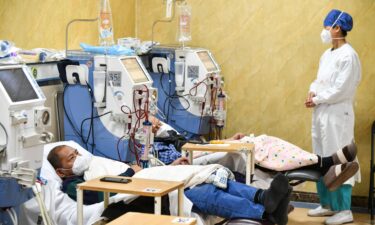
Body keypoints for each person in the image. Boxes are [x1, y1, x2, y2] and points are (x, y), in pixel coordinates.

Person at [47, 144, 292, 225]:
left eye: (77, 153)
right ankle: (265, 213)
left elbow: (125, 172)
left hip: (148, 182)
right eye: (71, 158)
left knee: (209, 178)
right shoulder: (72, 184)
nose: (78, 158)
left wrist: (131, 170)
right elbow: (98, 197)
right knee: (202, 192)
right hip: (135, 196)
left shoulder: (93, 164)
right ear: (60, 170)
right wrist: (128, 172)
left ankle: (263, 198)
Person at [304, 9, 361, 225]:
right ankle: (327, 205)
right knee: (321, 157)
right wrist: (312, 92)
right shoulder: (327, 54)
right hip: (322, 114)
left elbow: (341, 90)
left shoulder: (349, 56)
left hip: (338, 116)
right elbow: (320, 81)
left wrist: (317, 99)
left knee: (340, 160)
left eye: (327, 26)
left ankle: (344, 210)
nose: (325, 30)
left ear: (337, 27)